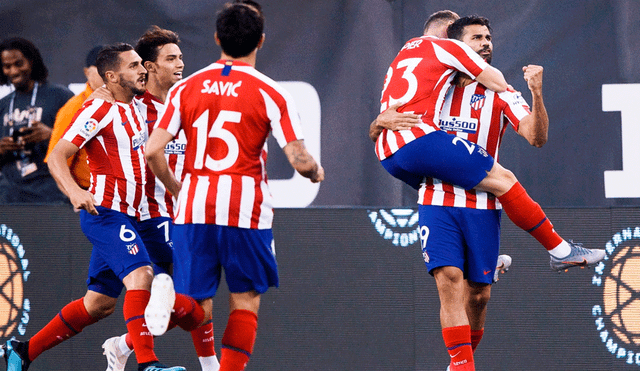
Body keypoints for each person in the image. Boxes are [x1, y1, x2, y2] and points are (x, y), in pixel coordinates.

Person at [144, 2, 324, 370]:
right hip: (245, 209)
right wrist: (315, 173)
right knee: (245, 300)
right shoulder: (270, 92)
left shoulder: (185, 89)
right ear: (260, 41)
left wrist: (176, 187)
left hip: (194, 205)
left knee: (197, 303)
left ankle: (172, 302)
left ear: (216, 39)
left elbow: (152, 150)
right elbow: (299, 160)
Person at [371, 10, 605, 272]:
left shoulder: (502, 93)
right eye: (477, 38)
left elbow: (536, 137)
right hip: (438, 200)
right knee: (449, 286)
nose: (486, 43)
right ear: (455, 43)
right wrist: (378, 122)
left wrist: (537, 94)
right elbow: (393, 124)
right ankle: (560, 250)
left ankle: (496, 257)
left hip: (481, 201)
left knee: (478, 297)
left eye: (488, 38)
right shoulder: (436, 85)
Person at [1, 43, 185, 371]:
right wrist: (73, 191)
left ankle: (23, 351)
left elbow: (153, 85)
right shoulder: (97, 109)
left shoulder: (139, 104)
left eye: (141, 65)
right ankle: (148, 364)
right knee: (142, 277)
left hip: (140, 216)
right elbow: (57, 155)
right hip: (107, 215)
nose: (142, 70)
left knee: (100, 304)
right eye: (132, 66)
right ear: (112, 76)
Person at [99, 26, 220, 371]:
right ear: (149, 67)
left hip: (186, 214)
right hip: (150, 217)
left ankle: (123, 346)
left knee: (179, 309)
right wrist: (97, 94)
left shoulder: (185, 101)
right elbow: (98, 106)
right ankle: (207, 366)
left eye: (181, 57)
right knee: (194, 297)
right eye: (171, 58)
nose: (180, 64)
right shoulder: (133, 107)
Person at [0, 37, 74, 203]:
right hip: (9, 197)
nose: (13, 71)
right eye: (7, 66)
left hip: (52, 193)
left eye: (19, 64)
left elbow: (84, 147)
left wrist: (51, 135)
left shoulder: (60, 96)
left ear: (31, 62)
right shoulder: (3, 105)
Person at [44, 45, 104, 190]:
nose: (107, 72)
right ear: (87, 72)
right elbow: (57, 160)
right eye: (100, 67)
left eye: (113, 66)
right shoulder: (74, 108)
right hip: (92, 195)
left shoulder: (128, 103)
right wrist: (74, 195)